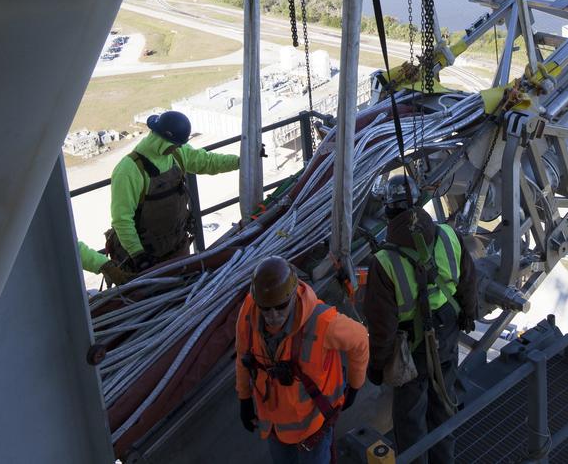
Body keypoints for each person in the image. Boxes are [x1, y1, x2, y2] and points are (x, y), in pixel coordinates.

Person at [364, 175, 478, 463]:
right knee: (443, 406)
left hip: (410, 351)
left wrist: (377, 367)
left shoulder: (384, 262)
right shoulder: (450, 236)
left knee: (410, 422)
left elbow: (382, 327)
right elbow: (468, 280)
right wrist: (468, 313)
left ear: (388, 211)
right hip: (447, 334)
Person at [236, 256, 368, 463]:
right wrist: (244, 398)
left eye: (280, 307)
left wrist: (355, 386)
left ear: (292, 297)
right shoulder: (250, 310)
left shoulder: (323, 323)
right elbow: (243, 354)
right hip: (275, 425)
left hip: (313, 426)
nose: (273, 316)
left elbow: (360, 339)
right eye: (266, 308)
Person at [98, 110, 239, 279]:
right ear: (162, 140)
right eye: (175, 144)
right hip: (146, 260)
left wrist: (240, 161)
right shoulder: (129, 170)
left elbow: (207, 161)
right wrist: (138, 255)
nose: (179, 148)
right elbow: (122, 219)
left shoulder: (177, 154)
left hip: (177, 248)